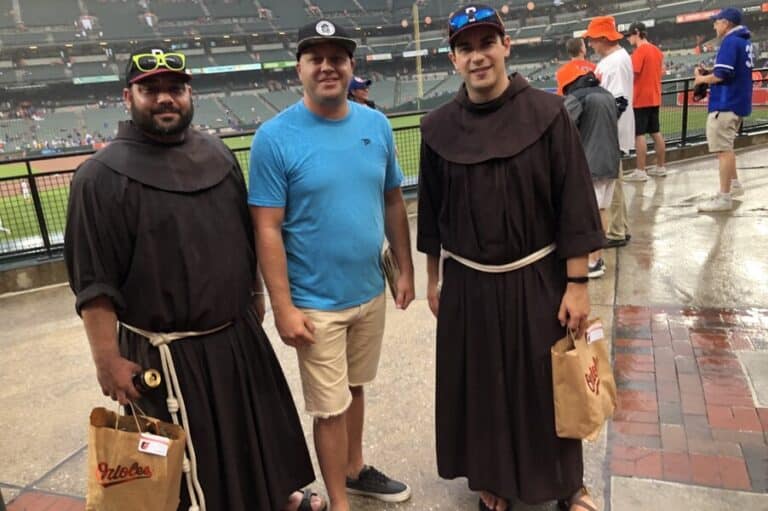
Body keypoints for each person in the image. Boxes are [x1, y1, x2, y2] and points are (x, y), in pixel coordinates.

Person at [64, 48, 324, 511]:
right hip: (165, 354)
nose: (165, 98)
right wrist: (106, 361)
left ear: (189, 94)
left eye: (175, 89)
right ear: (128, 97)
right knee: (183, 465)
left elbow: (243, 236)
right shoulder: (98, 178)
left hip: (235, 336)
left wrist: (255, 293)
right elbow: (94, 282)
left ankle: (271, 500)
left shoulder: (218, 155)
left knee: (253, 435)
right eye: (151, 90)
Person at [417, 5, 602, 511]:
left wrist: (578, 284)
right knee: (484, 386)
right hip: (469, 282)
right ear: (454, 59)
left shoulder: (548, 114)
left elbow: (574, 202)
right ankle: (492, 477)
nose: (477, 56)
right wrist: (433, 279)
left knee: (548, 384)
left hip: (536, 276)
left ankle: (567, 484)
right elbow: (431, 213)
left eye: (486, 44)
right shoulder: (438, 128)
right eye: (465, 48)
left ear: (505, 46)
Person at [248, 20, 415, 511]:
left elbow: (392, 200)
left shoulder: (375, 125)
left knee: (355, 387)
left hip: (369, 289)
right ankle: (340, 502)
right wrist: (283, 307)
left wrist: (406, 269)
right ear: (298, 69)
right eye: (315, 58)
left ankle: (355, 469)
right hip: (315, 303)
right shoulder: (274, 137)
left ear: (350, 66)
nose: (327, 67)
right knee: (330, 407)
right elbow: (267, 228)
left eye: (336, 58)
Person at [562, 68, 620, 279]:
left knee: (589, 214)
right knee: (601, 211)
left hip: (591, 163)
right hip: (611, 161)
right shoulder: (607, 95)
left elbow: (561, 126)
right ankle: (598, 258)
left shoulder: (577, 97)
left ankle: (593, 262)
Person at [694, 7, 753, 212]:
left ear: (726, 23)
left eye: (717, 21)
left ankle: (724, 196)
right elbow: (730, 70)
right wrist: (710, 71)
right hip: (738, 102)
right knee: (727, 148)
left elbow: (722, 76)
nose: (714, 25)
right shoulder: (743, 41)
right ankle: (733, 185)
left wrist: (701, 79)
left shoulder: (730, 41)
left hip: (726, 103)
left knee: (723, 151)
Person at [584, 15, 634, 249]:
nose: (591, 44)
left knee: (609, 185)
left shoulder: (614, 62)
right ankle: (620, 228)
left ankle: (615, 232)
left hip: (610, 132)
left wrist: (603, 129)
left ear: (604, 38)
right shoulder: (617, 58)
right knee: (615, 182)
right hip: (613, 130)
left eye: (593, 39)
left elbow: (618, 102)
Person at [627, 21, 667, 180]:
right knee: (656, 132)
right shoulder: (657, 50)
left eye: (630, 35)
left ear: (637, 33)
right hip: (654, 97)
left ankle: (640, 170)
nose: (629, 39)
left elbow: (633, 74)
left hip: (640, 98)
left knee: (639, 134)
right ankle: (661, 167)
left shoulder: (640, 51)